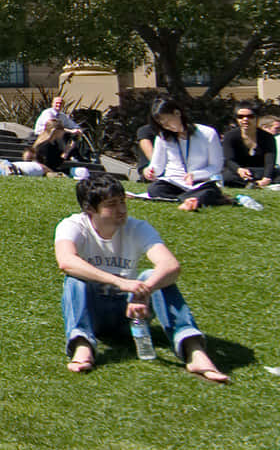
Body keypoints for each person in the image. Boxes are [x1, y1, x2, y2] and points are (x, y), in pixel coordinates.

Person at [54, 172, 228, 382]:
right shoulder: (73, 226)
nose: (121, 210)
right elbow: (66, 261)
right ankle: (82, 345)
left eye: (122, 202)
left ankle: (193, 350)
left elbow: (171, 265)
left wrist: (145, 290)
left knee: (153, 275)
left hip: (132, 312)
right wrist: (121, 282)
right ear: (90, 209)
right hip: (94, 311)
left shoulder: (137, 227)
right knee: (74, 279)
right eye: (112, 204)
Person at [141, 99, 227, 210]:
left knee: (209, 192)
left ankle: (189, 199)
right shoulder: (163, 137)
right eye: (162, 124)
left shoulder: (208, 133)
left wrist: (195, 175)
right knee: (154, 189)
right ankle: (189, 199)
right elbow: (157, 166)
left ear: (177, 113)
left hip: (200, 183)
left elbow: (216, 166)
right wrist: (149, 171)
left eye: (167, 122)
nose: (166, 126)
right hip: (174, 182)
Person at [224, 105, 274, 188]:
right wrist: (239, 170)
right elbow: (228, 160)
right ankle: (254, 184)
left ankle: (254, 184)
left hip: (260, 171)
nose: (245, 119)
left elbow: (270, 161)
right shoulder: (230, 136)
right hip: (240, 172)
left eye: (250, 116)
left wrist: (266, 178)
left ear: (256, 118)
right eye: (240, 117)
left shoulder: (267, 137)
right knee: (227, 177)